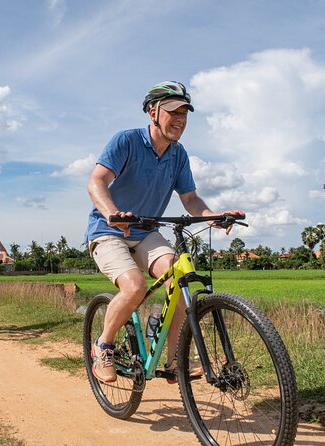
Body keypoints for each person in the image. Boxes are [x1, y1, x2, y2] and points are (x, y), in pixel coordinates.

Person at [85, 80, 245, 383]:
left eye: (185, 113)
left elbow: (190, 199)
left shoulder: (178, 155)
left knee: (180, 277)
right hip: (108, 230)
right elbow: (97, 181)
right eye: (173, 112)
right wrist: (112, 213)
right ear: (152, 112)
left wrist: (213, 216)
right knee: (134, 287)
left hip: (145, 232)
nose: (180, 120)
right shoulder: (127, 141)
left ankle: (174, 362)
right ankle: (103, 345)